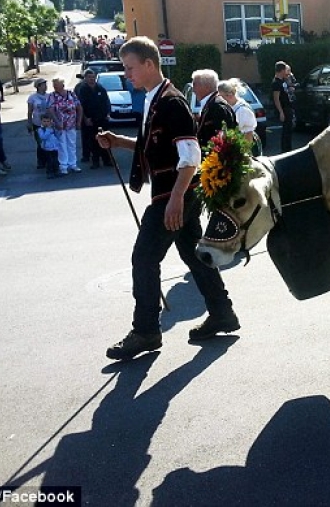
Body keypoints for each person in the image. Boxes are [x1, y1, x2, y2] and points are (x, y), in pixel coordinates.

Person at [97, 36, 239, 361]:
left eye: (130, 68)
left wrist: (176, 199)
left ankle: (145, 330)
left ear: (149, 64)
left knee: (144, 258)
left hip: (172, 194)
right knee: (193, 255)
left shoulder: (172, 102)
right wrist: (118, 141)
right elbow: (155, 146)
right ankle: (222, 313)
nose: (127, 74)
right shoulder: (154, 98)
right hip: (176, 194)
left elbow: (190, 156)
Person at [46, 77, 83, 175]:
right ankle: (63, 166)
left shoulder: (71, 94)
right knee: (62, 145)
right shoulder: (52, 96)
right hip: (59, 125)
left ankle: (73, 164)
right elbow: (50, 110)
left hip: (71, 124)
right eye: (54, 86)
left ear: (62, 85)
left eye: (57, 85)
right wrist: (57, 122)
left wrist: (79, 121)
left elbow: (79, 107)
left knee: (72, 144)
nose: (55, 87)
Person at [76, 69, 112, 168]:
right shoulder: (82, 89)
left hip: (102, 119)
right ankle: (95, 162)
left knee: (105, 139)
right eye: (89, 77)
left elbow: (107, 102)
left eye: (93, 77)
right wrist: (85, 118)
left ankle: (107, 160)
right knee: (93, 141)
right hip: (90, 120)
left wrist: (108, 113)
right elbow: (80, 105)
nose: (92, 79)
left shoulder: (100, 88)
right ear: (85, 78)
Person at [191, 69, 236, 147]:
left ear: (207, 87)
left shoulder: (218, 107)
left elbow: (222, 141)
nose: (193, 89)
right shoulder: (211, 104)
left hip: (215, 158)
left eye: (195, 84)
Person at [218, 79, 260, 154]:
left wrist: (245, 154)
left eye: (220, 97)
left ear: (230, 95)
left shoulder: (243, 110)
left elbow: (248, 134)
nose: (218, 99)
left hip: (244, 149)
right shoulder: (230, 107)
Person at [27, 77, 50, 169]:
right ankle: (41, 161)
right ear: (38, 86)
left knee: (49, 141)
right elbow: (30, 111)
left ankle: (50, 160)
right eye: (43, 85)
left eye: (46, 84)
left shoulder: (49, 96)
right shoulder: (32, 97)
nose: (45, 86)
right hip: (37, 123)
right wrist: (29, 122)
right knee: (40, 143)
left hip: (48, 123)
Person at [272, 60, 294, 152]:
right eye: (285, 69)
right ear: (281, 70)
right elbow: (276, 99)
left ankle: (288, 148)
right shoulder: (276, 83)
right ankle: (285, 150)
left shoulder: (282, 80)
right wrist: (281, 112)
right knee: (286, 131)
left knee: (289, 129)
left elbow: (290, 78)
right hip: (284, 108)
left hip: (288, 107)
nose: (287, 71)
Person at [37, 112, 61, 179]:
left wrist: (57, 130)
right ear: (41, 122)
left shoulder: (52, 128)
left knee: (55, 160)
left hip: (54, 147)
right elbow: (43, 137)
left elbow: (57, 135)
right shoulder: (41, 130)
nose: (46, 123)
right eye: (44, 121)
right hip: (47, 148)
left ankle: (56, 171)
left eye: (48, 121)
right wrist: (48, 130)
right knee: (49, 160)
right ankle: (49, 172)